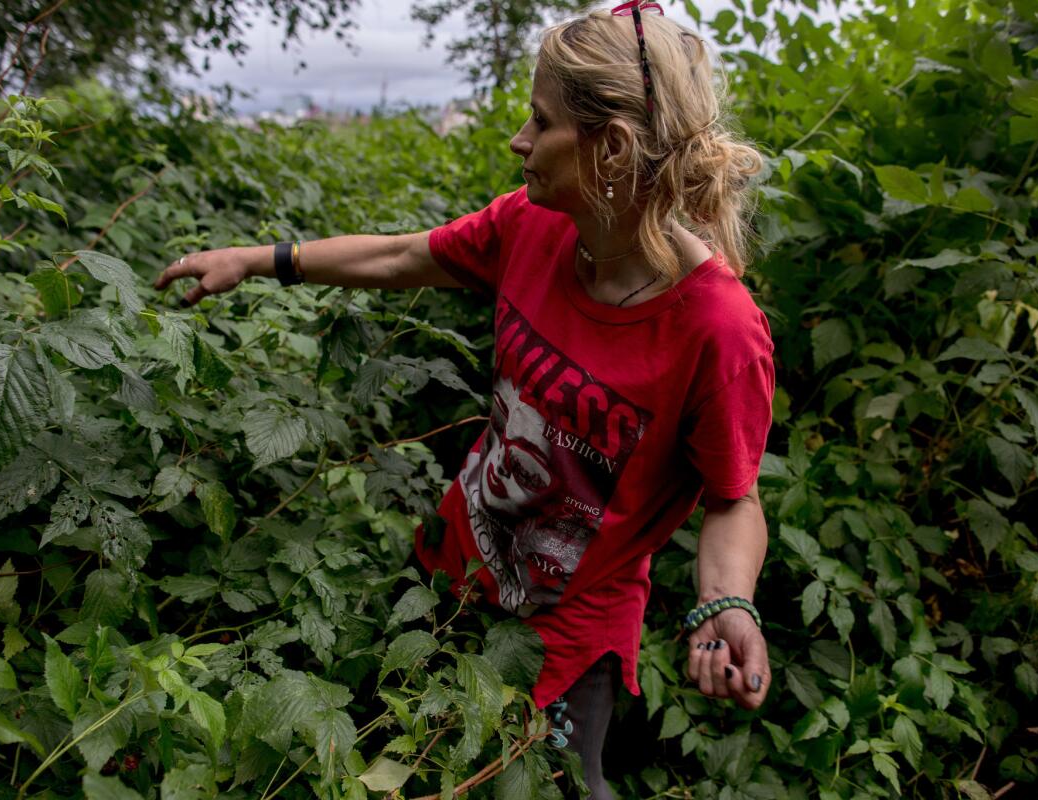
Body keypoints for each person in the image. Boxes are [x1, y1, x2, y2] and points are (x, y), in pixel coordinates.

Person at [154, 3, 774, 797]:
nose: (519, 140)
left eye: (541, 120)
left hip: (563, 646)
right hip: (444, 577)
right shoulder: (533, 226)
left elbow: (732, 495)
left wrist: (730, 602)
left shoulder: (718, 330)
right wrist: (254, 258)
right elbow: (403, 255)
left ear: (610, 148)